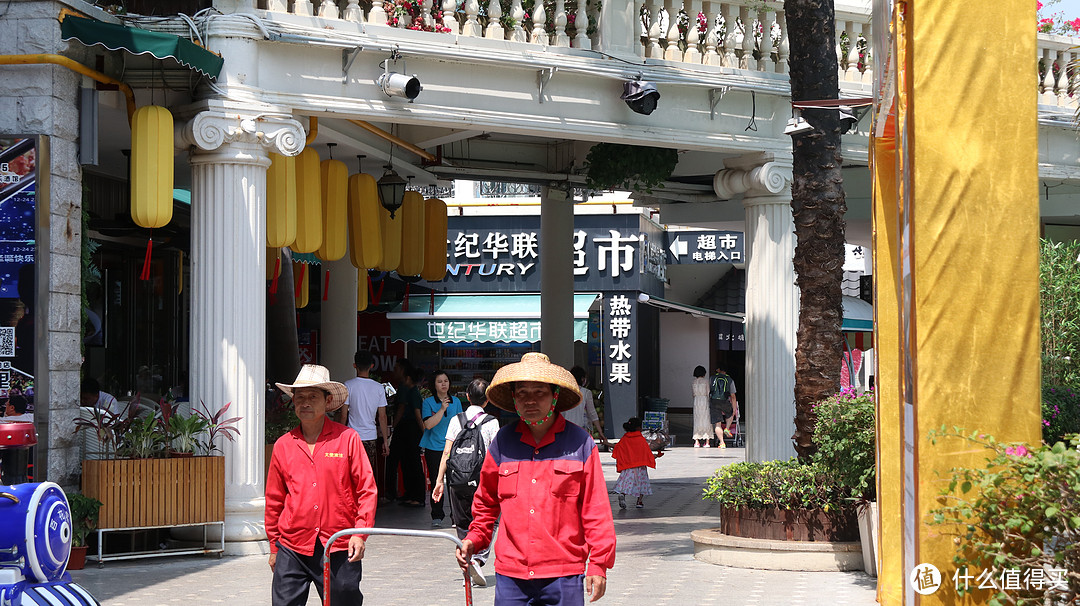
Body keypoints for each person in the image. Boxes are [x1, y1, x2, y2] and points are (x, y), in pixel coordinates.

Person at [457, 352, 616, 604]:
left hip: (564, 575)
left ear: (555, 396)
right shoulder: (502, 443)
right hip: (511, 576)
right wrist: (474, 538)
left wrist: (598, 564)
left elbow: (595, 510)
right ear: (514, 399)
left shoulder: (581, 444)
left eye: (539, 392)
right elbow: (486, 504)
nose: (530, 401)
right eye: (522, 393)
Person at [265, 364, 377, 606]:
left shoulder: (347, 439)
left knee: (345, 598)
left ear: (328, 402)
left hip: (338, 542)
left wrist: (359, 534)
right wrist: (274, 545)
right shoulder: (283, 445)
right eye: (300, 397)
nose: (305, 402)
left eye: (313, 396)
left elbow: (366, 490)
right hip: (292, 545)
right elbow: (274, 499)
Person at [431, 378, 499, 587]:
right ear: (487, 400)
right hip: (483, 481)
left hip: (457, 480)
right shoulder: (492, 422)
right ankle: (477, 559)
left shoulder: (456, 420)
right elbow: (496, 455)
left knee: (462, 524)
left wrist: (439, 480)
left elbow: (447, 452)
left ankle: (466, 560)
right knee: (489, 520)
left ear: (467, 397)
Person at [420, 370, 463, 528]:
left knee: (454, 482)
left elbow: (460, 425)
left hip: (452, 447)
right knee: (436, 481)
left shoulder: (457, 401)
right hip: (434, 447)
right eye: (440, 381)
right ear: (434, 385)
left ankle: (455, 515)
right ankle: (437, 515)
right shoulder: (428, 402)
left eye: (446, 381)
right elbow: (428, 424)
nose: (444, 384)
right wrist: (442, 409)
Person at [385, 364, 426, 507]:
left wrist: (424, 433)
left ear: (407, 376)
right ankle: (410, 494)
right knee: (407, 462)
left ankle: (418, 496)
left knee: (413, 462)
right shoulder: (409, 389)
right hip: (409, 429)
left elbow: (416, 414)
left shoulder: (411, 391)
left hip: (410, 429)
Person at [342, 350, 391, 466]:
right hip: (370, 436)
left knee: (352, 471)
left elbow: (344, 415)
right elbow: (382, 417)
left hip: (352, 436)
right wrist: (385, 441)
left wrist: (339, 436)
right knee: (368, 472)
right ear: (372, 366)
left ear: (355, 366)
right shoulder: (378, 388)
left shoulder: (348, 385)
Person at [611, 417, 663, 509]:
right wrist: (655, 456)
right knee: (642, 483)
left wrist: (607, 443)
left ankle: (623, 494)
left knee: (627, 482)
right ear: (638, 428)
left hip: (628, 466)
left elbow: (618, 448)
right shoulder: (640, 439)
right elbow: (646, 452)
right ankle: (639, 502)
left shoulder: (625, 438)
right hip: (640, 466)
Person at [565, 366, 611, 450]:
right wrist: (600, 431)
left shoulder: (564, 392)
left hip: (565, 429)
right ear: (582, 379)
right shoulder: (586, 392)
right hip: (581, 430)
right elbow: (592, 413)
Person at [710, 367, 739, 449]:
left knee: (717, 424)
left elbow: (709, 390)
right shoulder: (730, 380)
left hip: (714, 402)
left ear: (718, 370)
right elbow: (733, 396)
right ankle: (727, 428)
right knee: (730, 414)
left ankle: (722, 443)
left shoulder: (712, 378)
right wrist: (734, 408)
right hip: (725, 402)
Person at [691, 366, 711, 448]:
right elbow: (708, 392)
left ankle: (696, 441)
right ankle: (707, 441)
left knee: (697, 419)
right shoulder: (706, 381)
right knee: (706, 419)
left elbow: (693, 394)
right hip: (704, 400)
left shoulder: (694, 382)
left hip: (697, 400)